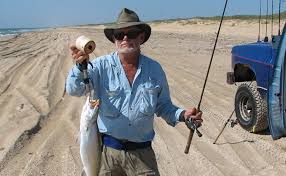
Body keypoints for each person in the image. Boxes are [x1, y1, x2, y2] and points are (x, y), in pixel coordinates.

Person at [66, 8, 203, 176]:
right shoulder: (100, 67)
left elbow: (163, 106)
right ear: (114, 39)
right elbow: (74, 89)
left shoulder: (155, 69)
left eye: (131, 33)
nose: (125, 38)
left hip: (143, 154)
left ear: (141, 37)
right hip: (107, 154)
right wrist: (80, 67)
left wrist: (184, 115)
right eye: (119, 34)